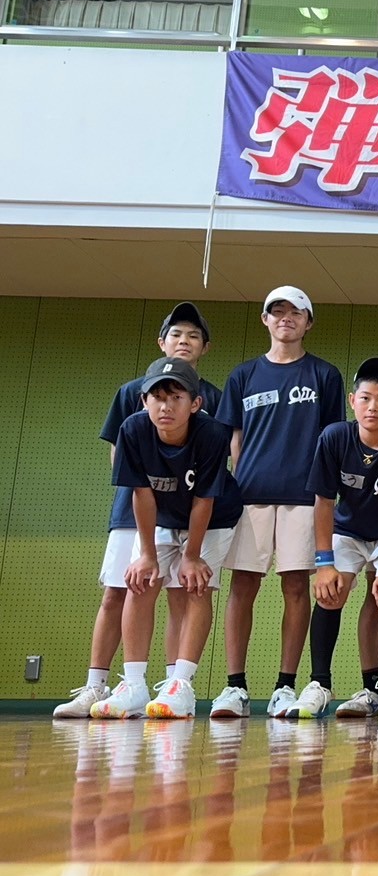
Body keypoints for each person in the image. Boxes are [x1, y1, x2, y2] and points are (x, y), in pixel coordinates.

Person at [56, 302, 222, 718]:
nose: (184, 341)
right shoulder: (132, 395)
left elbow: (211, 476)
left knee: (181, 592)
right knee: (121, 588)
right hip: (138, 505)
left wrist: (188, 541)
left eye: (193, 336)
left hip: (189, 509)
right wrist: (145, 487)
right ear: (161, 341)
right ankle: (98, 685)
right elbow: (123, 457)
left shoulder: (214, 401)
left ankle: (172, 685)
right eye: (176, 334)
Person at [211, 287, 345, 719]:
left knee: (296, 586)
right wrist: (244, 476)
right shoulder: (243, 375)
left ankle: (285, 686)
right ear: (265, 320)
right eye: (277, 311)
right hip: (250, 497)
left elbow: (332, 438)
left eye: (296, 312)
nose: (286, 318)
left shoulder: (325, 375)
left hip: (303, 498)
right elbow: (233, 437)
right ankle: (235, 686)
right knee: (243, 586)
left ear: (308, 322)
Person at [89, 358, 241, 719]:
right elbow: (141, 493)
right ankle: (134, 685)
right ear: (144, 402)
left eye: (176, 397)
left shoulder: (212, 434)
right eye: (157, 397)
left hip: (213, 518)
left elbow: (204, 500)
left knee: (196, 587)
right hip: (162, 515)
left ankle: (181, 685)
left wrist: (192, 555)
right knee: (140, 582)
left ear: (195, 403)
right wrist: (147, 556)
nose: (166, 406)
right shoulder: (132, 430)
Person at [298, 358, 378, 720]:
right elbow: (323, 502)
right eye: (366, 398)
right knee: (330, 591)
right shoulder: (334, 437)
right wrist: (324, 564)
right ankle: (320, 684)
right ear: (352, 400)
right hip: (349, 529)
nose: (373, 407)